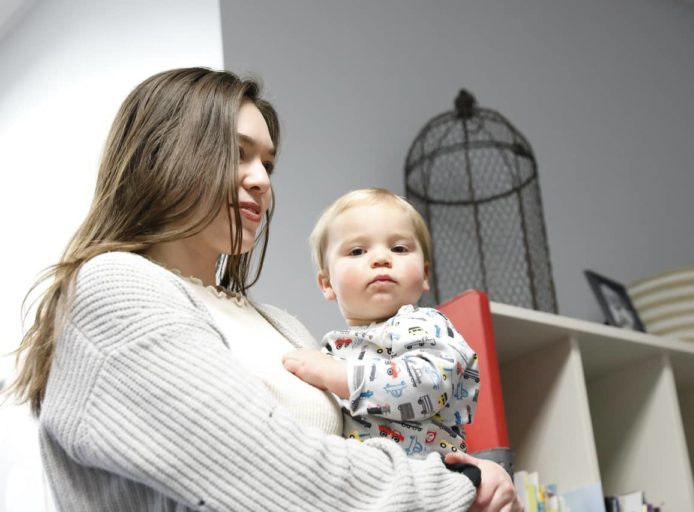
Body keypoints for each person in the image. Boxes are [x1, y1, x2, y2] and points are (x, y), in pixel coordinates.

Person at [6, 67, 522, 511]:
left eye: (268, 164)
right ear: (161, 156)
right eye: (237, 154)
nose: (260, 180)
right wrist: (459, 487)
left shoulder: (281, 325)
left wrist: (455, 467)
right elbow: (272, 472)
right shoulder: (115, 288)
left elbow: (358, 452)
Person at [283, 188, 480, 459]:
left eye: (399, 248)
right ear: (327, 284)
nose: (381, 259)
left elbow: (429, 384)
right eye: (357, 251)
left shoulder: (426, 323)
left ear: (424, 274)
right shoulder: (333, 350)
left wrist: (338, 376)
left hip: (430, 479)